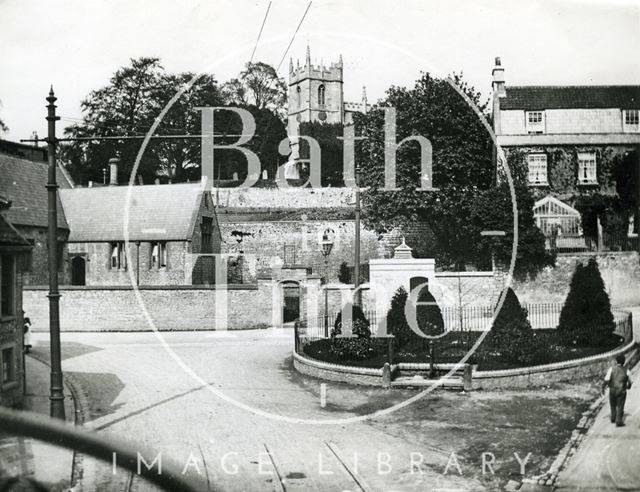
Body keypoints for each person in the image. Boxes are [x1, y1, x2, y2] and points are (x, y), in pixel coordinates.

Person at [603, 354, 633, 427]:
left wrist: (603, 387)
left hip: (612, 389)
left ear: (616, 362)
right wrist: (628, 387)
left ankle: (613, 417)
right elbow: (630, 382)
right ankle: (619, 421)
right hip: (622, 390)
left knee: (612, 404)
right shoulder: (627, 371)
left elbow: (606, 379)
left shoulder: (611, 369)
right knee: (620, 405)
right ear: (624, 362)